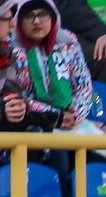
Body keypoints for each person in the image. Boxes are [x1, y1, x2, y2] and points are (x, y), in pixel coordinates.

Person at [8, 0, 93, 128]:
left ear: (53, 17)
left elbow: (84, 86)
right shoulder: (11, 48)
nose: (36, 21)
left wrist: (76, 115)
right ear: (18, 21)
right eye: (29, 16)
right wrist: (57, 116)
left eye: (42, 14)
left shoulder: (68, 41)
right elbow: (18, 98)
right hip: (31, 122)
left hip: (72, 120)